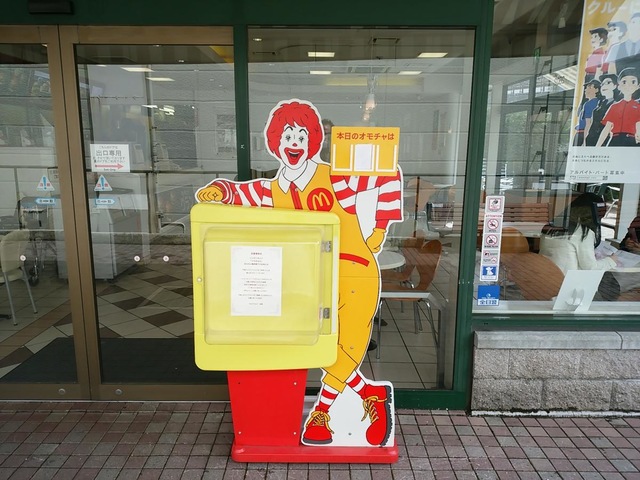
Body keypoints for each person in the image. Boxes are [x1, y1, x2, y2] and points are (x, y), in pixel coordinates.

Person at [195, 99, 402, 447]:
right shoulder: (271, 191)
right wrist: (220, 191)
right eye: (288, 135)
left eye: (302, 136)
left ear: (313, 141)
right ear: (276, 142)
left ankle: (321, 412)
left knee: (348, 344)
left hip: (355, 273)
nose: (295, 142)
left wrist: (380, 227)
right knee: (321, 347)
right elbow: (239, 193)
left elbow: (388, 174)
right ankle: (368, 394)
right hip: (308, 284)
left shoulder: (336, 178)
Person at [539, 192, 620, 274]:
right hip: (565, 279)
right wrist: (611, 261)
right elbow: (590, 267)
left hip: (545, 276)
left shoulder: (552, 226)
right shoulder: (583, 232)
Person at [596, 67, 640, 146]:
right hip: (614, 140)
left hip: (631, 141)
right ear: (619, 86)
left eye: (633, 82)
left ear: (638, 86)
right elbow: (607, 128)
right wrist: (597, 146)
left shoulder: (638, 106)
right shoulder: (614, 106)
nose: (628, 85)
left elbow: (638, 125)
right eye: (624, 82)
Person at [585, 73, 620, 146]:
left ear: (615, 86)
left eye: (608, 83)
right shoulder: (600, 104)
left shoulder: (617, 105)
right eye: (602, 84)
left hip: (604, 142)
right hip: (591, 141)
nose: (604, 86)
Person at [573, 79, 601, 146]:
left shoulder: (590, 104)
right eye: (586, 88)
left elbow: (588, 123)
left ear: (597, 90)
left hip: (582, 133)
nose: (586, 90)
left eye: (590, 88)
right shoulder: (597, 102)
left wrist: (585, 140)